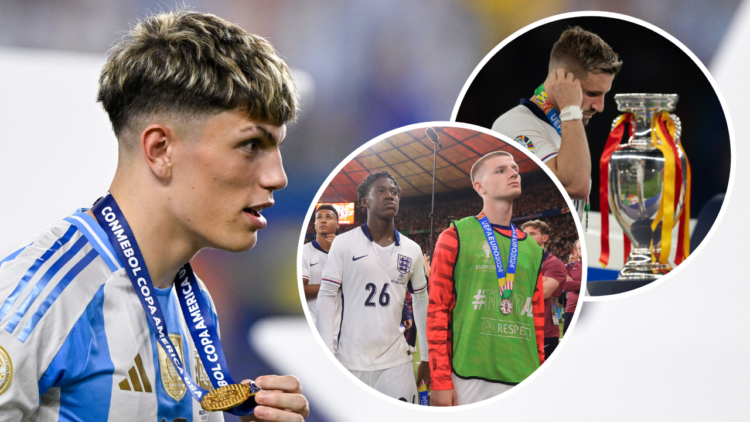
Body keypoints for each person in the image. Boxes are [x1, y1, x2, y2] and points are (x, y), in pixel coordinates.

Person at [0, 10, 309, 421]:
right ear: (161, 149)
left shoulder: (194, 303)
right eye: (252, 145)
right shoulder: (44, 295)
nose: (278, 177)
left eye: (277, 149)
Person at [428, 151, 545, 406]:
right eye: (501, 170)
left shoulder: (535, 250)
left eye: (514, 168)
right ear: (479, 187)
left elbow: (536, 315)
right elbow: (438, 309)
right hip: (470, 375)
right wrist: (439, 379)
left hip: (526, 374)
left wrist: (543, 372)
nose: (514, 173)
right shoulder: (454, 235)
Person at [316, 171, 430, 404]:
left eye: (394, 192)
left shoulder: (412, 249)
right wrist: (326, 354)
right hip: (350, 361)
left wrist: (426, 357)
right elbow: (327, 296)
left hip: (397, 362)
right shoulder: (344, 243)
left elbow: (420, 299)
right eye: (381, 191)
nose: (390, 196)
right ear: (364, 201)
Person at [491, 26, 622, 222]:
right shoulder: (513, 125)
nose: (600, 106)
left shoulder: (565, 130)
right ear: (562, 81)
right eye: (592, 93)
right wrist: (571, 109)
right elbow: (575, 186)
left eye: (604, 94)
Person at [521, 220, 568, 359]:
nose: (527, 237)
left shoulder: (554, 263)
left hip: (545, 331)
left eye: (532, 234)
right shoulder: (519, 262)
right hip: (521, 328)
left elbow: (544, 292)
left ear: (545, 238)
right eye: (524, 234)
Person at [301, 204, 340, 327]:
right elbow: (300, 290)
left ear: (337, 224)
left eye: (328, 217)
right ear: (315, 223)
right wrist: (336, 285)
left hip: (342, 329)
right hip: (314, 325)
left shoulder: (347, 252)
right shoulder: (304, 251)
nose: (323, 220)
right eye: (319, 217)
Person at [564, 239, 583, 336]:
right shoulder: (567, 267)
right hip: (572, 310)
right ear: (575, 252)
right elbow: (566, 285)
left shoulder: (599, 267)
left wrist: (576, 284)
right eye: (581, 248)